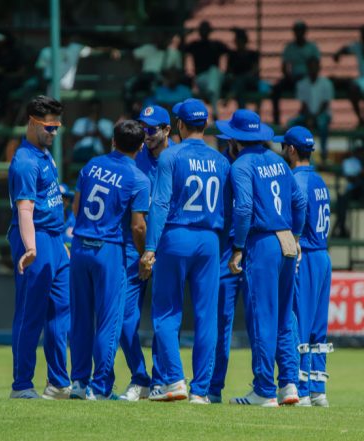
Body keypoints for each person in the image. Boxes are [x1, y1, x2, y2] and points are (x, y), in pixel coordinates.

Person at [139, 99, 231, 404]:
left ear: (178, 125)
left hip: (176, 236)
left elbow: (161, 204)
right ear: (204, 125)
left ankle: (175, 380)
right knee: (207, 316)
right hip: (209, 240)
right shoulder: (221, 161)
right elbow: (230, 208)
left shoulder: (171, 156)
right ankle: (201, 391)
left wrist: (150, 248)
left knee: (166, 312)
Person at [221, 109, 307, 407]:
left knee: (262, 315)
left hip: (262, 242)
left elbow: (243, 209)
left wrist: (238, 247)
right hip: (285, 239)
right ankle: (289, 384)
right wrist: (295, 237)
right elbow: (298, 202)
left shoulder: (241, 165)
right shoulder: (280, 162)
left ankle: (263, 389)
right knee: (284, 316)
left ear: (236, 139)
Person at [69, 120, 150, 400]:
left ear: (113, 140)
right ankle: (100, 387)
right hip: (109, 248)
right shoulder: (139, 178)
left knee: (80, 318)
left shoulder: (92, 164)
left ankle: (78, 383)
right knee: (108, 321)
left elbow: (77, 206)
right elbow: (138, 226)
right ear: (140, 147)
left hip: (80, 245)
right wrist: (144, 253)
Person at [7, 96, 70, 399]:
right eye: (49, 127)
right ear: (32, 121)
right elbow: (24, 209)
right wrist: (31, 248)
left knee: (60, 312)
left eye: (57, 128)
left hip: (55, 239)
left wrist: (62, 242)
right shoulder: (25, 161)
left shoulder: (45, 154)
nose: (53, 133)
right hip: (36, 237)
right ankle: (21, 385)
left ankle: (58, 382)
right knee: (30, 313)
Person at [117, 105, 173, 402]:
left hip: (166, 247)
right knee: (126, 320)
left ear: (167, 129)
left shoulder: (178, 157)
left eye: (152, 129)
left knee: (164, 320)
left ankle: (161, 380)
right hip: (133, 247)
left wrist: (152, 252)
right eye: (143, 128)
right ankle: (140, 377)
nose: (146, 134)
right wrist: (143, 253)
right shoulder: (133, 157)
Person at [278, 126, 332, 407]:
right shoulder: (320, 180)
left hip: (307, 254)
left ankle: (299, 387)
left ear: (292, 150)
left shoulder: (295, 180)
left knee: (299, 319)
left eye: (284, 146)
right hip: (323, 254)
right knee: (317, 327)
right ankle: (318, 387)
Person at [208, 133, 241, 404]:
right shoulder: (221, 165)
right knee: (221, 322)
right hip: (228, 250)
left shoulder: (231, 165)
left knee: (262, 323)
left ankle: (276, 386)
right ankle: (213, 386)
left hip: (232, 251)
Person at [271, 21, 320, 124]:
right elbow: (284, 67)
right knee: (275, 89)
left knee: (308, 88)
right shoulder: (289, 47)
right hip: (292, 78)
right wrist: (288, 77)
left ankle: (306, 117)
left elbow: (316, 66)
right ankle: (276, 120)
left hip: (307, 78)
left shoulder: (312, 47)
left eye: (300, 31)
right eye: (297, 31)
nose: (299, 33)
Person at [332, 143, 364, 238]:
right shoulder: (349, 161)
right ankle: (341, 226)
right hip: (355, 190)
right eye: (359, 151)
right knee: (342, 195)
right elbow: (350, 178)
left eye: (363, 151)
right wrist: (362, 173)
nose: (361, 154)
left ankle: (340, 226)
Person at [290, 57, 333, 162]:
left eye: (315, 67)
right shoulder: (302, 84)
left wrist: (314, 117)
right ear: (307, 68)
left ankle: (324, 153)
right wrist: (309, 117)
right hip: (307, 115)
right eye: (311, 67)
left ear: (319, 68)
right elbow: (303, 105)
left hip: (322, 115)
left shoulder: (326, 83)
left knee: (322, 124)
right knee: (291, 124)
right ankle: (295, 153)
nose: (313, 69)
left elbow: (325, 104)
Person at [183, 21, 229, 118]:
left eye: (206, 30)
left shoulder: (216, 44)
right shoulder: (195, 45)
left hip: (215, 78)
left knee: (214, 71)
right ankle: (214, 108)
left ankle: (211, 94)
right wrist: (186, 34)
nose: (204, 32)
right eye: (202, 30)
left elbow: (231, 52)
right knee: (213, 81)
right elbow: (181, 49)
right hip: (201, 79)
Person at [224, 28, 260, 109]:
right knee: (240, 86)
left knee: (241, 81)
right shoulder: (232, 55)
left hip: (250, 81)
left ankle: (232, 94)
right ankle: (242, 109)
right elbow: (229, 71)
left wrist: (244, 76)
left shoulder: (253, 54)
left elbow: (255, 71)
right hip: (237, 83)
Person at [59, 183, 75, 250]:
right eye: (60, 197)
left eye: (66, 198)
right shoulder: (47, 221)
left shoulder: (74, 218)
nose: (63, 201)